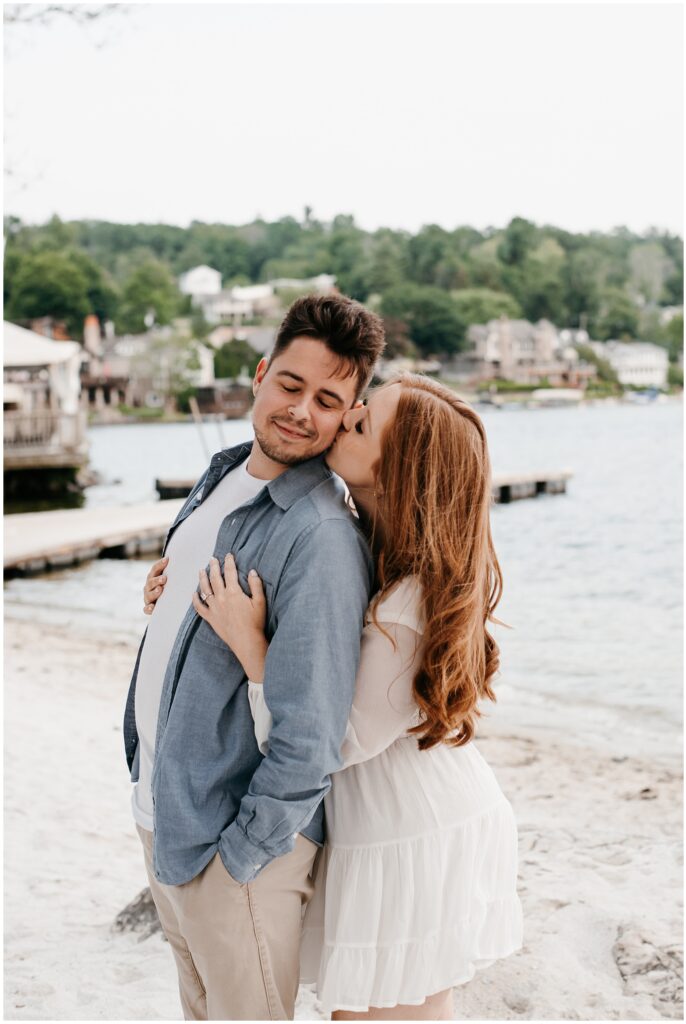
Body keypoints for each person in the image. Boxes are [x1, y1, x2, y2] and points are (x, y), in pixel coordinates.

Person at [179, 373, 524, 1020]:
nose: (347, 415)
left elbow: (335, 739)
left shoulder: (410, 601)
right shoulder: (367, 546)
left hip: (412, 829)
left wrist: (250, 645)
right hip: (393, 817)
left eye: (363, 422)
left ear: (395, 476)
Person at [123, 294, 386, 1021]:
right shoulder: (223, 476)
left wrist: (242, 858)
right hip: (166, 810)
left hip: (234, 849)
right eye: (291, 385)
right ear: (262, 374)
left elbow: (311, 733)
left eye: (328, 400)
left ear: (348, 412)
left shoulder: (321, 536)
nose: (302, 411)